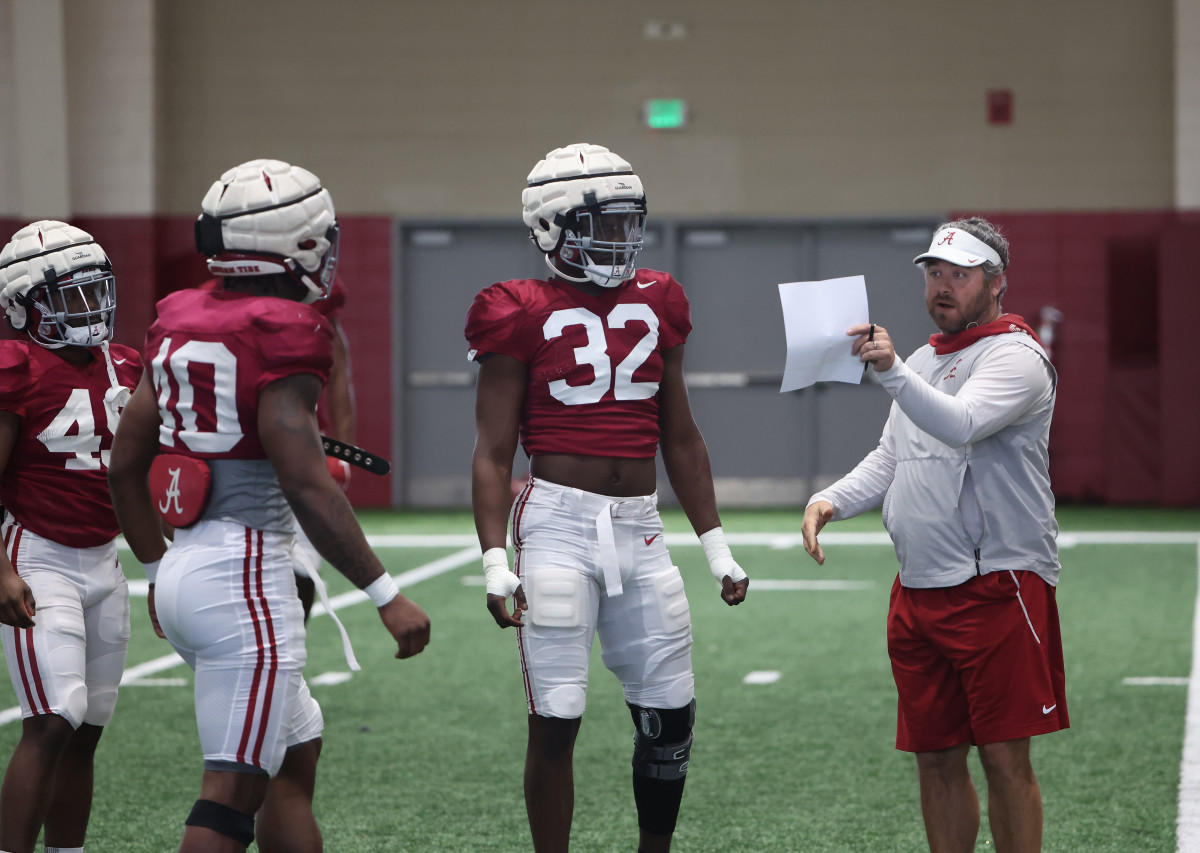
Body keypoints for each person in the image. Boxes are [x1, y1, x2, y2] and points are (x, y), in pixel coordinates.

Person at [108, 158, 431, 853]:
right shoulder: (283, 327)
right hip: (246, 574)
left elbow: (125, 462)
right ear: (296, 241)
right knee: (230, 789)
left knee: (296, 752)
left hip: (189, 565)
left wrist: (157, 569)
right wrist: (385, 591)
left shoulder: (178, 319)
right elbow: (306, 485)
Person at [467, 142, 750, 853]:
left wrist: (715, 545)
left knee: (670, 713)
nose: (619, 239)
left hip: (641, 527)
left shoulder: (659, 299)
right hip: (558, 524)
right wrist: (493, 557)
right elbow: (493, 450)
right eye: (602, 224)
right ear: (550, 226)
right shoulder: (517, 308)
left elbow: (680, 436)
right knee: (557, 716)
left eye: (628, 223)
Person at [802, 217, 1068, 853]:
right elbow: (893, 457)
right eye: (934, 273)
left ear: (996, 282)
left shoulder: (1018, 356)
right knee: (936, 759)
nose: (943, 286)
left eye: (960, 275)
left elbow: (962, 423)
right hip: (918, 592)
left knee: (1005, 762)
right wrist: (830, 499)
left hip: (998, 586)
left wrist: (893, 371)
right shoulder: (924, 360)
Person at [0, 220, 141, 853]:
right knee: (54, 718)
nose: (87, 308)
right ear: (22, 306)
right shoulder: (16, 366)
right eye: (66, 296)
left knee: (88, 728)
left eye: (93, 291)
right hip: (38, 554)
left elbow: (146, 468)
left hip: (104, 560)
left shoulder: (126, 365)